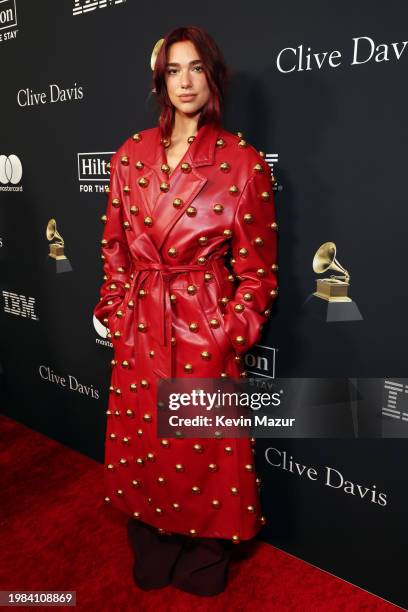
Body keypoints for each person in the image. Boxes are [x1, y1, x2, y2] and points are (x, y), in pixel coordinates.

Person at [93, 25, 278, 596]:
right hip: (140, 323)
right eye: (174, 70)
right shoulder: (129, 155)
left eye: (196, 67)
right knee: (144, 439)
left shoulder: (242, 162)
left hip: (203, 323)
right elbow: (116, 248)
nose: (185, 81)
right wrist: (117, 309)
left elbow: (257, 272)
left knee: (204, 447)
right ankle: (154, 535)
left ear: (213, 75)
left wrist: (228, 333)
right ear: (160, 81)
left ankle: (205, 546)